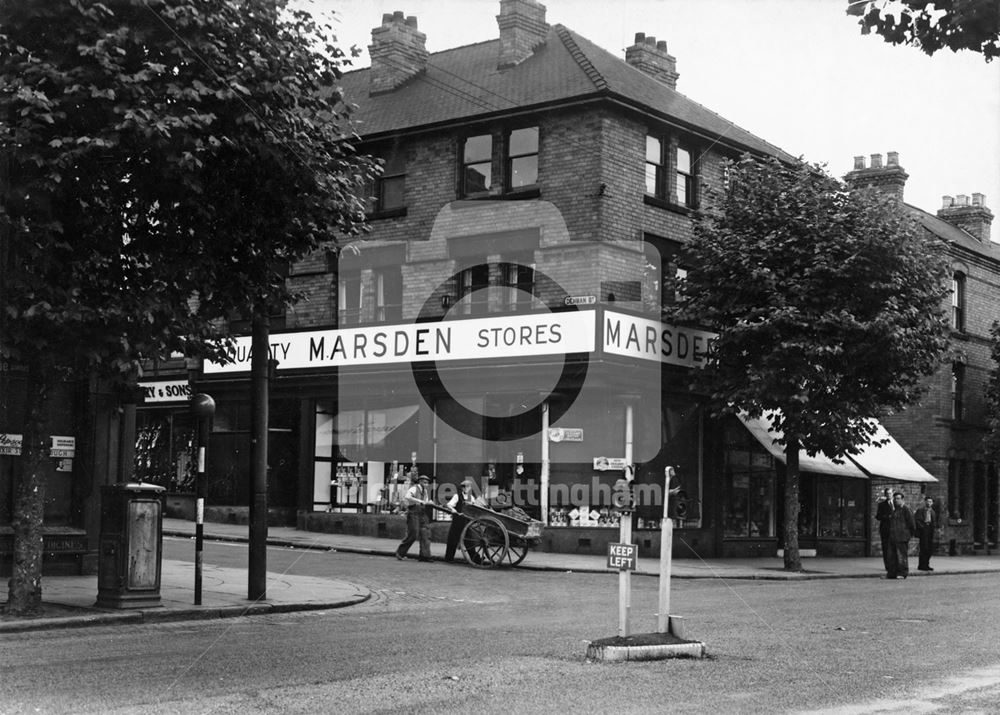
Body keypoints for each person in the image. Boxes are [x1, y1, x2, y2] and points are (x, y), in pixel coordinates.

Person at [395, 474, 433, 562]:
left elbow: (425, 501)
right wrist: (419, 501)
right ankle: (400, 552)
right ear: (420, 481)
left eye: (427, 482)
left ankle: (425, 556)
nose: (426, 484)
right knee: (413, 534)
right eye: (424, 482)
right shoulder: (414, 489)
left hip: (422, 513)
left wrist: (429, 502)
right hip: (413, 513)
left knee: (425, 534)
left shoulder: (425, 491)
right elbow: (407, 497)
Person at [443, 478, 474, 563]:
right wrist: (454, 511)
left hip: (467, 521)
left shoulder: (471, 497)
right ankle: (449, 558)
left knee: (469, 540)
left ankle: (476, 559)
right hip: (458, 520)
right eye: (464, 487)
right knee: (453, 539)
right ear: (462, 488)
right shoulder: (457, 496)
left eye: (468, 487)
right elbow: (449, 505)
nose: (466, 488)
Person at [887, 491, 915, 579]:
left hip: (902, 537)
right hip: (893, 537)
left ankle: (902, 573)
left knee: (901, 556)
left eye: (898, 499)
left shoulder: (906, 509)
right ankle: (892, 574)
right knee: (892, 556)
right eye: (895, 499)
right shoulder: (895, 510)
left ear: (902, 499)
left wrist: (908, 535)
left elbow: (912, 524)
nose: (896, 501)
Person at [913, 495, 938, 571]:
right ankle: (921, 565)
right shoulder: (921, 510)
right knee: (924, 547)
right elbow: (916, 520)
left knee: (929, 548)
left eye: (930, 502)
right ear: (925, 502)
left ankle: (926, 564)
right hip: (923, 530)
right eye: (927, 501)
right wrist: (922, 527)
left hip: (930, 530)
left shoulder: (933, 512)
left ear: (932, 503)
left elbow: (934, 522)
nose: (929, 503)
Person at [874, 487, 895, 577]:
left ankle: (894, 564)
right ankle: (887, 565)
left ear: (892, 494)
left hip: (895, 529)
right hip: (886, 529)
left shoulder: (897, 504)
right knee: (886, 548)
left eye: (890, 493)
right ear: (885, 495)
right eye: (887, 494)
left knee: (894, 547)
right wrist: (887, 516)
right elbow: (878, 517)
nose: (889, 495)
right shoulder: (882, 505)